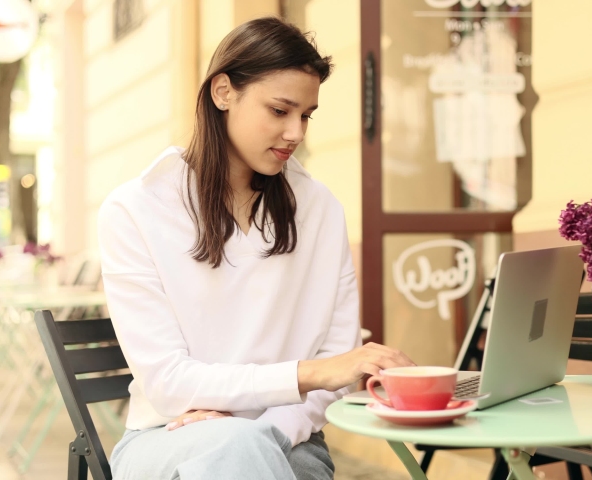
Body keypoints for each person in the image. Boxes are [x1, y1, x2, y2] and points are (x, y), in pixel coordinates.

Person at [98, 16, 415, 480]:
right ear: (223, 92)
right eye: (280, 110)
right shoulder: (136, 209)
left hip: (291, 440)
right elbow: (169, 384)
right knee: (230, 453)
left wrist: (263, 433)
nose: (296, 133)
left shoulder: (318, 207)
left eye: (306, 115)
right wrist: (308, 375)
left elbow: (337, 360)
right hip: (166, 440)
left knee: (238, 452)